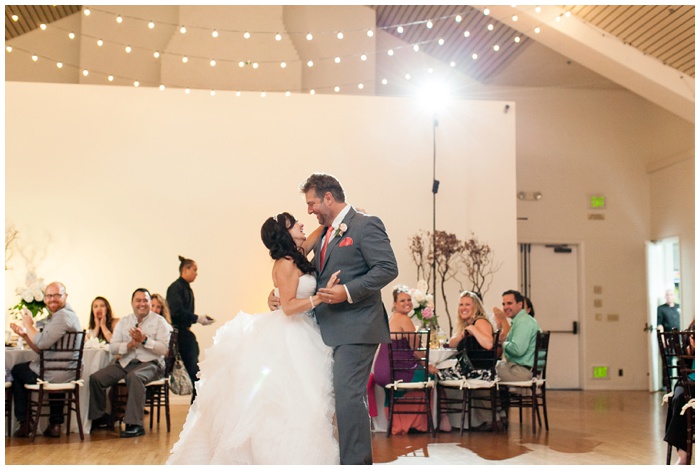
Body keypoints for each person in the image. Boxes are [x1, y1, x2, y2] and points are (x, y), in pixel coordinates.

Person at [167, 212, 339, 464]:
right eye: (294, 224)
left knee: (304, 400)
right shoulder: (287, 262)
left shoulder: (298, 254)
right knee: (286, 399)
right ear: (285, 233)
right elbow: (289, 307)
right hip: (290, 334)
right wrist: (320, 297)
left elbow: (321, 229)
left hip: (303, 330)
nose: (301, 223)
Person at [299, 173, 398, 464]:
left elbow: (387, 268)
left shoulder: (366, 225)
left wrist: (348, 292)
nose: (309, 210)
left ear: (328, 197)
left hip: (358, 327)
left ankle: (357, 463)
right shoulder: (324, 233)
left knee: (348, 397)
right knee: (329, 399)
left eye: (312, 202)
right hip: (326, 329)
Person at [89, 288, 172, 438]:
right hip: (126, 362)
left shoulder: (160, 322)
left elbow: (164, 350)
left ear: (149, 302)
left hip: (151, 363)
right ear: (132, 303)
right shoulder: (124, 322)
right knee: (96, 378)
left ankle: (135, 424)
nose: (142, 304)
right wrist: (130, 345)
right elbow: (113, 348)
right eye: (138, 300)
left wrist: (145, 340)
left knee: (134, 376)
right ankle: (100, 417)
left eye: (145, 300)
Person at [9, 281, 82, 438]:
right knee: (45, 369)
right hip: (63, 372)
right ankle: (55, 424)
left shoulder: (63, 316)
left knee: (17, 370)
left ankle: (24, 422)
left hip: (55, 374)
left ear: (66, 296)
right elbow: (40, 348)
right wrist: (25, 336)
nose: (52, 299)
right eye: (49, 296)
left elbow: (41, 343)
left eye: (57, 295)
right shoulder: (62, 316)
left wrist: (28, 325)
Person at [373, 285, 439, 435]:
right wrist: (428, 366)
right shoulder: (404, 319)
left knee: (396, 389)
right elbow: (417, 351)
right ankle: (420, 424)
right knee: (431, 376)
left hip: (382, 370)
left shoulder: (390, 318)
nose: (407, 303)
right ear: (395, 303)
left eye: (409, 300)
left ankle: (396, 424)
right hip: (396, 371)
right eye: (402, 300)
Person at [166, 256, 214, 403]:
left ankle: (197, 407)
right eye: (194, 269)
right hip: (179, 334)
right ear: (185, 269)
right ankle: (197, 408)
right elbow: (176, 312)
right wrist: (197, 318)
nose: (196, 273)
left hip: (185, 333)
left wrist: (197, 319)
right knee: (195, 373)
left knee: (196, 373)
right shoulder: (176, 288)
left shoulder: (184, 288)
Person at [663, 320, 694, 464]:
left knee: (681, 397)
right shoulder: (692, 329)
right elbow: (681, 355)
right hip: (690, 378)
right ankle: (682, 455)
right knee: (679, 396)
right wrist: (690, 349)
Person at [493, 289, 541, 382]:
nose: (505, 307)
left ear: (520, 304)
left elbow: (517, 350)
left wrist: (503, 343)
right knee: (490, 368)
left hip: (522, 372)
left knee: (484, 372)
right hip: (522, 369)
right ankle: (505, 396)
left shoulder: (523, 322)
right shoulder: (522, 320)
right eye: (504, 304)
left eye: (509, 303)